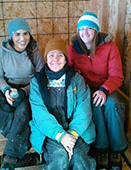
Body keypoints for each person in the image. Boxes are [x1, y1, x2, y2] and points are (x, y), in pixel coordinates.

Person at [67, 11, 127, 170]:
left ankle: (116, 149)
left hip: (106, 85)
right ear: (78, 31)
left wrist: (104, 90)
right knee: (94, 107)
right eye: (81, 29)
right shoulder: (73, 49)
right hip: (85, 88)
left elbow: (117, 75)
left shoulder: (109, 47)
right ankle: (101, 149)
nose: (85, 33)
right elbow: (69, 72)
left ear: (96, 31)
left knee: (112, 105)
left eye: (89, 29)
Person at [0, 18, 44, 169]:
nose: (22, 38)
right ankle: (16, 136)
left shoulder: (34, 50)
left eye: (25, 34)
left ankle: (11, 157)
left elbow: (41, 77)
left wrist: (24, 92)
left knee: (24, 110)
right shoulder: (2, 52)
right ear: (11, 35)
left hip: (28, 90)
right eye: (17, 34)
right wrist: (5, 90)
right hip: (9, 88)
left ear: (30, 35)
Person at [29, 38, 96, 170]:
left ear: (66, 59)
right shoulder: (37, 81)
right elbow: (39, 114)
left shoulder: (76, 78)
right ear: (46, 58)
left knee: (78, 159)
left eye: (60, 55)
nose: (56, 59)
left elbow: (84, 110)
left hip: (75, 129)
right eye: (51, 55)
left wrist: (71, 135)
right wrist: (61, 136)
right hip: (50, 130)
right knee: (59, 158)